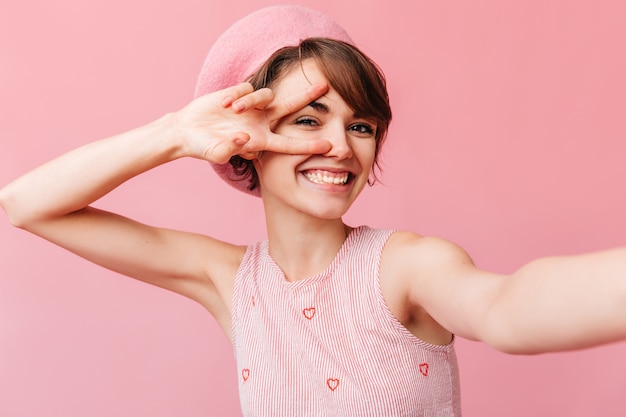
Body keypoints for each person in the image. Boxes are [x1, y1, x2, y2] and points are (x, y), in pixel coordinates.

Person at [0, 5, 625, 416]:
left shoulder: (406, 266)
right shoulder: (229, 281)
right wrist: (176, 132)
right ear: (247, 141)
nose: (340, 146)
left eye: (361, 124)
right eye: (306, 121)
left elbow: (510, 308)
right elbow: (28, 205)